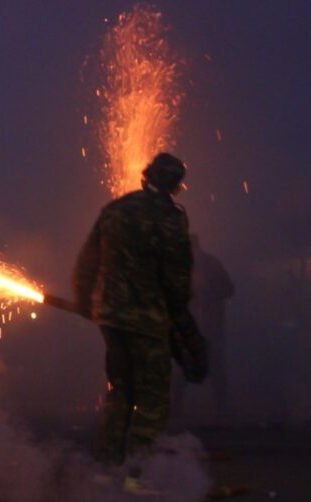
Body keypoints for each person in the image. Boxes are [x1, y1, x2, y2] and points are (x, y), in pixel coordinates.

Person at [72, 152, 208, 495]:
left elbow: (87, 261)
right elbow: (177, 277)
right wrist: (181, 321)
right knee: (152, 397)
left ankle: (106, 470)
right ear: (176, 185)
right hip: (148, 320)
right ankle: (138, 475)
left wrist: (86, 302)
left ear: (147, 176)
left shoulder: (115, 210)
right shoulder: (172, 218)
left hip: (112, 319)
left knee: (121, 391)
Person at [174, 235, 234, 419]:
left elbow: (228, 289)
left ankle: (220, 408)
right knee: (182, 370)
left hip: (208, 327)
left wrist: (208, 291)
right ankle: (177, 410)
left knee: (215, 368)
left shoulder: (210, 265)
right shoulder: (180, 267)